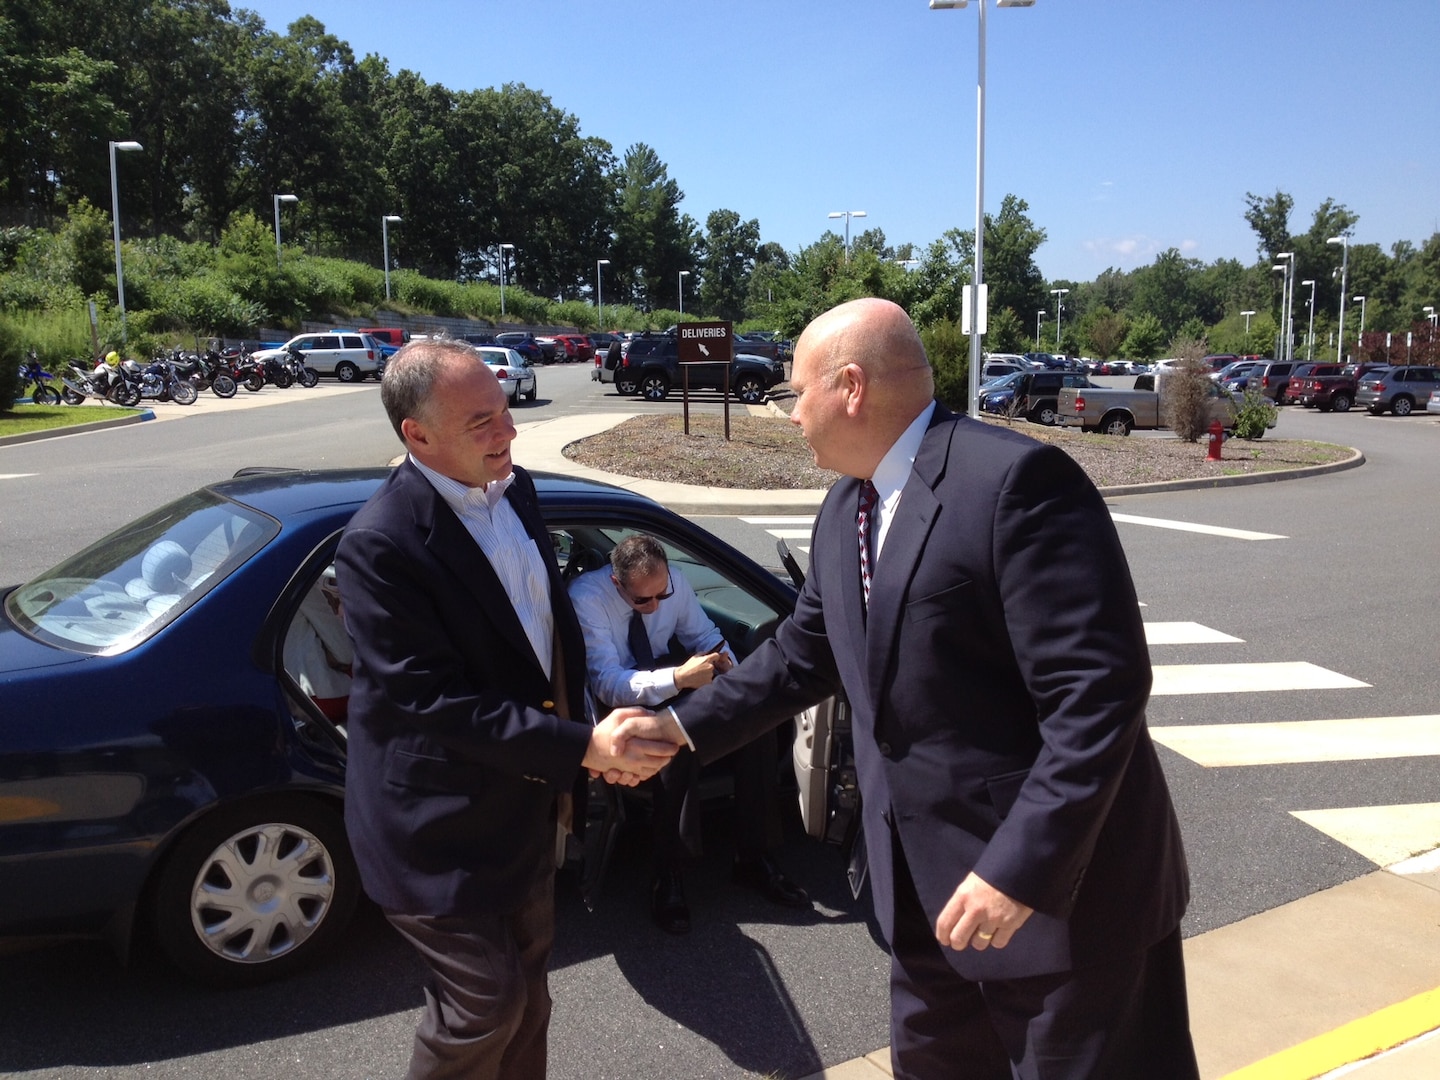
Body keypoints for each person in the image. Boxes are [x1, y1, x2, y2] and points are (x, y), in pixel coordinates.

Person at [613, 298, 1198, 1079]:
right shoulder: (845, 507)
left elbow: (1098, 696)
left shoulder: (1015, 483)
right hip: (925, 903)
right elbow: (800, 655)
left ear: (849, 386)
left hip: (1061, 906)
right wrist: (677, 732)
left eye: (793, 395)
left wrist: (1019, 869)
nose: (787, 415)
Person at [335, 338, 675, 1080]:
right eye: (482, 421)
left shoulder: (514, 490)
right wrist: (582, 748)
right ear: (416, 435)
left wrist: (594, 732)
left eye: (505, 412)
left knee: (529, 999)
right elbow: (432, 701)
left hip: (521, 807)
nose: (509, 433)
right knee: (483, 1005)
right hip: (435, 828)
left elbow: (542, 639)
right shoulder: (381, 544)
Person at [568, 534, 809, 934]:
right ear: (616, 584)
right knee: (671, 745)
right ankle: (669, 873)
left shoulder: (674, 583)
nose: (657, 605)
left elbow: (706, 636)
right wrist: (679, 679)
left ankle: (754, 856)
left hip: (668, 678)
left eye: (663, 593)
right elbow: (608, 682)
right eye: (644, 601)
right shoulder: (587, 598)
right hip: (625, 700)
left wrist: (732, 673)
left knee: (755, 725)